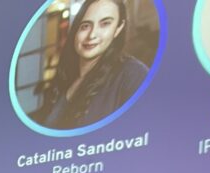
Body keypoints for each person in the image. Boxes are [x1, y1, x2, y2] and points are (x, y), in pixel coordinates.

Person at [35, 0, 148, 130]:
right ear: (76, 30)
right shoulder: (66, 78)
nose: (92, 35)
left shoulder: (133, 75)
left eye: (105, 24)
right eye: (85, 26)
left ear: (118, 28)